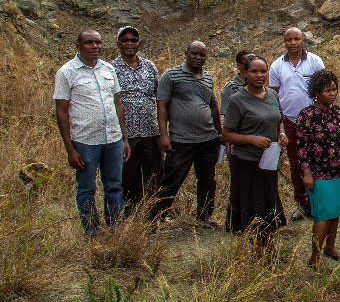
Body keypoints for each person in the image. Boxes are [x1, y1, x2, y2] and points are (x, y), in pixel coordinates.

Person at [54, 30, 131, 237]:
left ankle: (116, 231)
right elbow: (61, 111)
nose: (95, 46)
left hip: (113, 139)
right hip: (86, 142)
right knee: (86, 189)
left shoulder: (108, 69)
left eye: (98, 42)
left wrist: (124, 139)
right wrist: (70, 149)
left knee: (114, 187)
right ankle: (92, 233)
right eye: (89, 42)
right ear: (78, 45)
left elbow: (117, 104)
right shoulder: (66, 72)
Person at [151, 41, 222, 224]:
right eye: (194, 53)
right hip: (182, 140)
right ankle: (158, 216)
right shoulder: (171, 75)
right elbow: (162, 106)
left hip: (208, 138)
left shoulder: (207, 78)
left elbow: (213, 107)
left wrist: (219, 133)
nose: (198, 58)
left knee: (207, 179)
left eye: (202, 55)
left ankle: (204, 215)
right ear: (186, 53)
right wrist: (163, 135)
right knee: (172, 178)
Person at [222, 55, 288, 248]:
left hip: (269, 160)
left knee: (267, 201)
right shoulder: (237, 100)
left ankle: (267, 246)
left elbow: (279, 120)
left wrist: (282, 134)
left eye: (263, 71)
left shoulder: (272, 95)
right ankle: (254, 250)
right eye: (254, 71)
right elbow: (227, 134)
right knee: (250, 204)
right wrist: (251, 139)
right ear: (244, 73)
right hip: (246, 162)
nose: (259, 75)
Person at [296, 70, 340, 266]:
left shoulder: (337, 111)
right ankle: (315, 256)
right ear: (316, 92)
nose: (332, 93)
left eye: (334, 89)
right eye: (327, 90)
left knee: (336, 211)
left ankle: (330, 247)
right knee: (323, 214)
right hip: (319, 173)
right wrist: (306, 173)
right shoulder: (306, 115)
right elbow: (301, 147)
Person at [269, 27, 326, 221]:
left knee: (317, 161)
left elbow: (324, 89)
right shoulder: (277, 66)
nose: (293, 43)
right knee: (296, 164)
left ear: (303, 40)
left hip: (314, 120)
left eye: (297, 39)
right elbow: (273, 96)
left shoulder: (315, 61)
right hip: (289, 121)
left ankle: (319, 202)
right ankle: (302, 204)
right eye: (289, 40)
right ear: (284, 42)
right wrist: (280, 125)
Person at [112, 25, 163, 216]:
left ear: (139, 43)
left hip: (151, 131)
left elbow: (159, 97)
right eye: (125, 40)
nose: (129, 43)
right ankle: (133, 216)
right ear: (118, 44)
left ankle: (154, 214)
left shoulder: (149, 66)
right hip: (128, 134)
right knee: (129, 177)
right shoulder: (111, 68)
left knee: (155, 175)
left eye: (133, 40)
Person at [221, 49, 252, 115]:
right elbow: (228, 115)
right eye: (248, 63)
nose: (252, 65)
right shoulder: (231, 88)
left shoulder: (259, 86)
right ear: (239, 66)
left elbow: (273, 106)